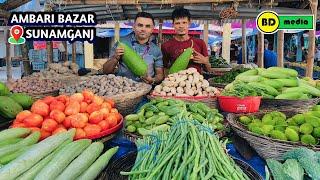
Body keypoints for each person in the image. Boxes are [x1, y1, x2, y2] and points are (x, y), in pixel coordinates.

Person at [103, 12, 164, 85]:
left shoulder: (156, 50)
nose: (143, 29)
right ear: (134, 27)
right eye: (140, 25)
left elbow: (160, 75)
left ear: (152, 29)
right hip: (124, 89)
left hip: (146, 90)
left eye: (147, 26)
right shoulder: (122, 44)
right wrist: (115, 58)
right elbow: (106, 71)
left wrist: (153, 80)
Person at [161, 7, 210, 74]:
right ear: (173, 25)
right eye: (177, 23)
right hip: (177, 82)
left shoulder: (200, 43)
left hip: (196, 82)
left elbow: (209, 69)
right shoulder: (166, 46)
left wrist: (205, 61)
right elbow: (165, 68)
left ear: (189, 23)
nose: (181, 26)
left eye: (184, 22)